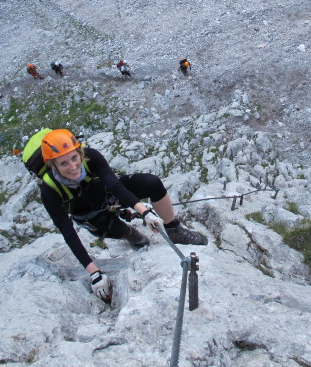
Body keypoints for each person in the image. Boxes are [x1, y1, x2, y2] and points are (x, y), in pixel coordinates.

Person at [39, 129, 208, 302]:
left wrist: (145, 212)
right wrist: (94, 272)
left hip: (110, 195)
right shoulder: (49, 190)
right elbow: (68, 232)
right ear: (53, 165)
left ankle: (174, 230)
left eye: (74, 158)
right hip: (92, 217)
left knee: (152, 183)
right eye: (64, 163)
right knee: (120, 231)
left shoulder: (91, 157)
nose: (73, 166)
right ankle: (131, 234)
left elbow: (115, 186)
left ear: (79, 152)